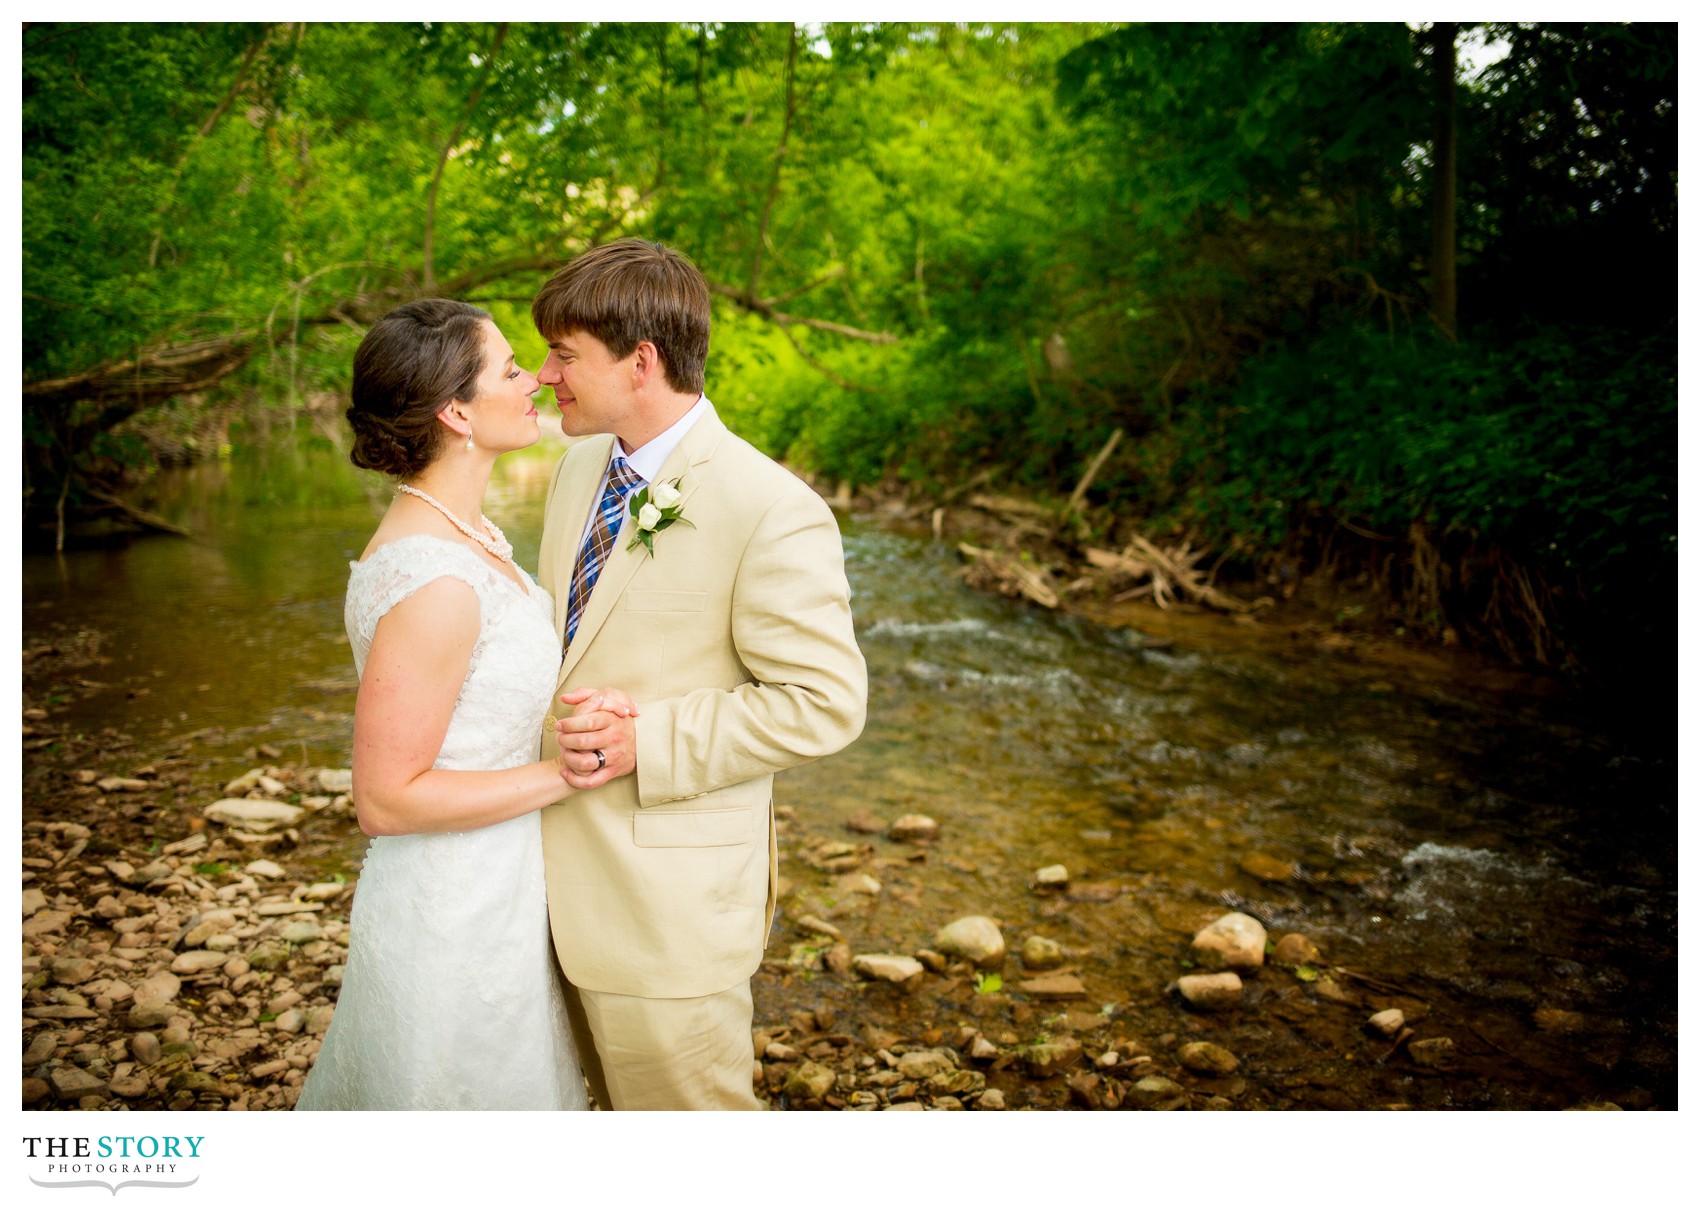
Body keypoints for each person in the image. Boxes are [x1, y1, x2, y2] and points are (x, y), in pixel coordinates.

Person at [532, 239, 868, 1110]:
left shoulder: (773, 508)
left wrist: (651, 737)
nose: (543, 374)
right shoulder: (575, 470)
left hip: (664, 913)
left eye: (564, 355)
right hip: (538, 891)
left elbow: (824, 704)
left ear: (640, 361)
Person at [297, 298, 616, 1110]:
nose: (536, 380)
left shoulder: (469, 537)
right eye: (510, 369)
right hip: (451, 912)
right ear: (456, 410)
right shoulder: (434, 579)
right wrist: (566, 773)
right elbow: (386, 798)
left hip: (500, 883)